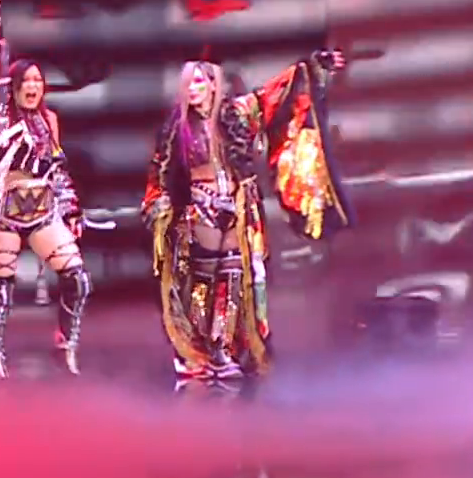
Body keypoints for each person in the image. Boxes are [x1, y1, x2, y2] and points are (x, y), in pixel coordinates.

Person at [141, 52, 352, 391]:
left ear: (213, 85)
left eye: (199, 82)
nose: (192, 89)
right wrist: (160, 208)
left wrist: (313, 66)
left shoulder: (238, 114)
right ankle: (197, 352)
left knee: (234, 275)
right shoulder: (176, 128)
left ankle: (223, 349)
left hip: (238, 208)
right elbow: (159, 172)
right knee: (203, 279)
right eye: (188, 83)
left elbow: (276, 92)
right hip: (200, 208)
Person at [0, 0, 90, 379]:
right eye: (26, 81)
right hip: (2, 212)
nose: (33, 86)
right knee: (1, 289)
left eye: (38, 81)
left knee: (78, 279)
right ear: (14, 86)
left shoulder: (48, 121)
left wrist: (72, 210)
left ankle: (66, 343)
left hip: (42, 211)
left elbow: (58, 169)